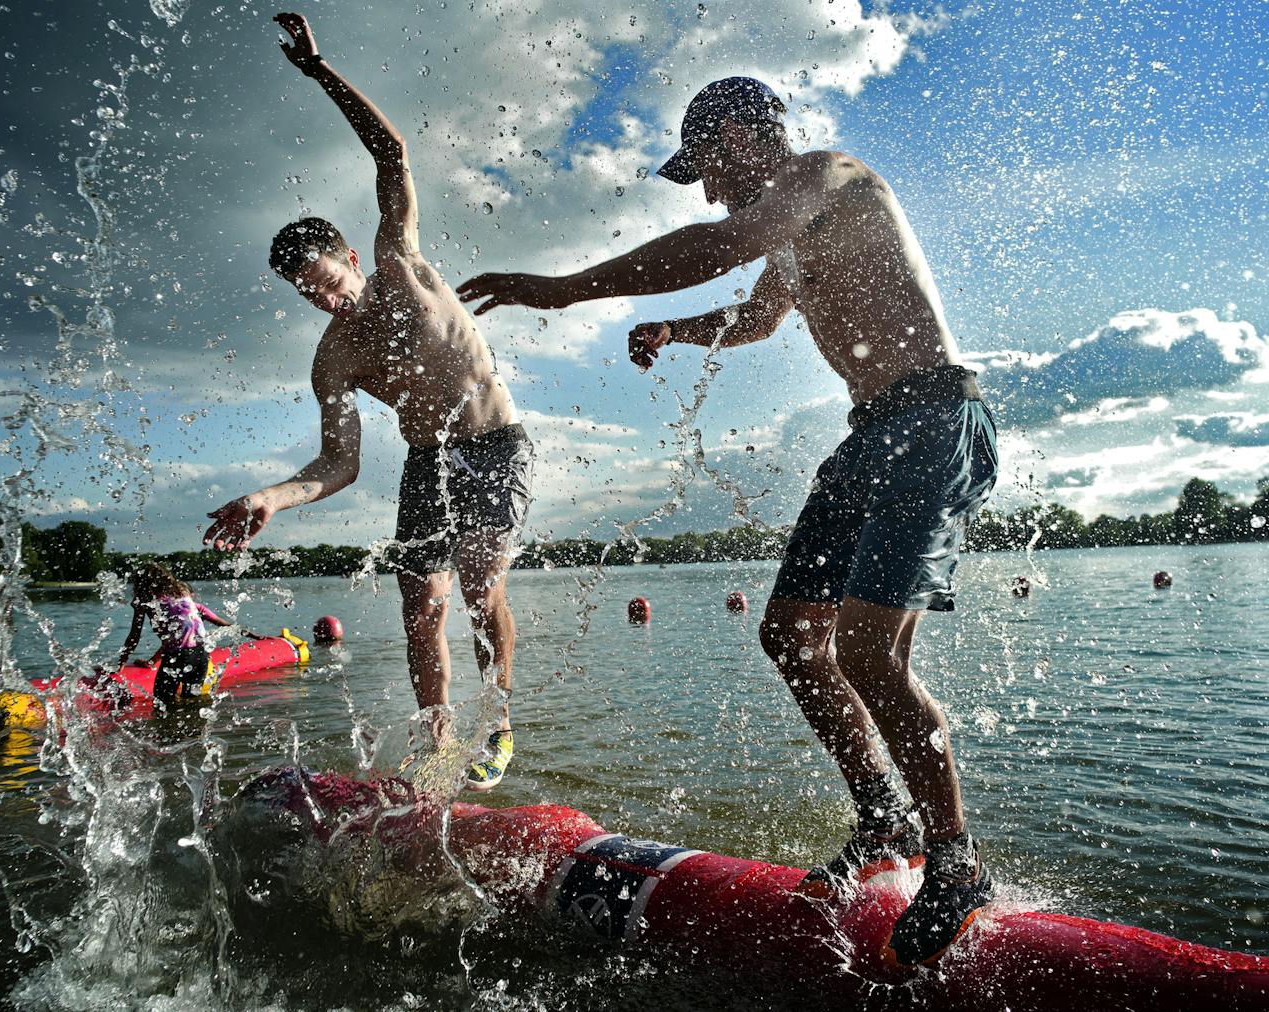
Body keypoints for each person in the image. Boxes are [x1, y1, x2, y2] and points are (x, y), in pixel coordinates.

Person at [456, 77, 999, 965]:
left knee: (868, 653)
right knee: (790, 636)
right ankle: (882, 815)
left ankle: (955, 861)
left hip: (936, 420)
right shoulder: (789, 232)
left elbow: (719, 242)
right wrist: (674, 331)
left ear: (747, 133)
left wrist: (561, 290)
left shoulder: (832, 177)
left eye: (706, 164)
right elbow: (754, 316)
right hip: (871, 435)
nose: (707, 188)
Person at [202, 13, 534, 792]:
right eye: (307, 292)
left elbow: (392, 152)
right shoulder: (335, 358)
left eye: (327, 277)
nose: (326, 298)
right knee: (421, 607)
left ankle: (497, 723)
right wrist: (273, 499)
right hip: (428, 463)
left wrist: (320, 71)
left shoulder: (399, 259)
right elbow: (339, 463)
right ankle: (437, 740)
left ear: (352, 256)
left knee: (482, 581)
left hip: (492, 444)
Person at [119, 562, 234, 704]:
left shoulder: (144, 601)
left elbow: (134, 636)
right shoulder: (182, 592)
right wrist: (152, 661)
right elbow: (183, 632)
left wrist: (121, 663)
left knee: (161, 702)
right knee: (193, 702)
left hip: (177, 656)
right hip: (201, 654)